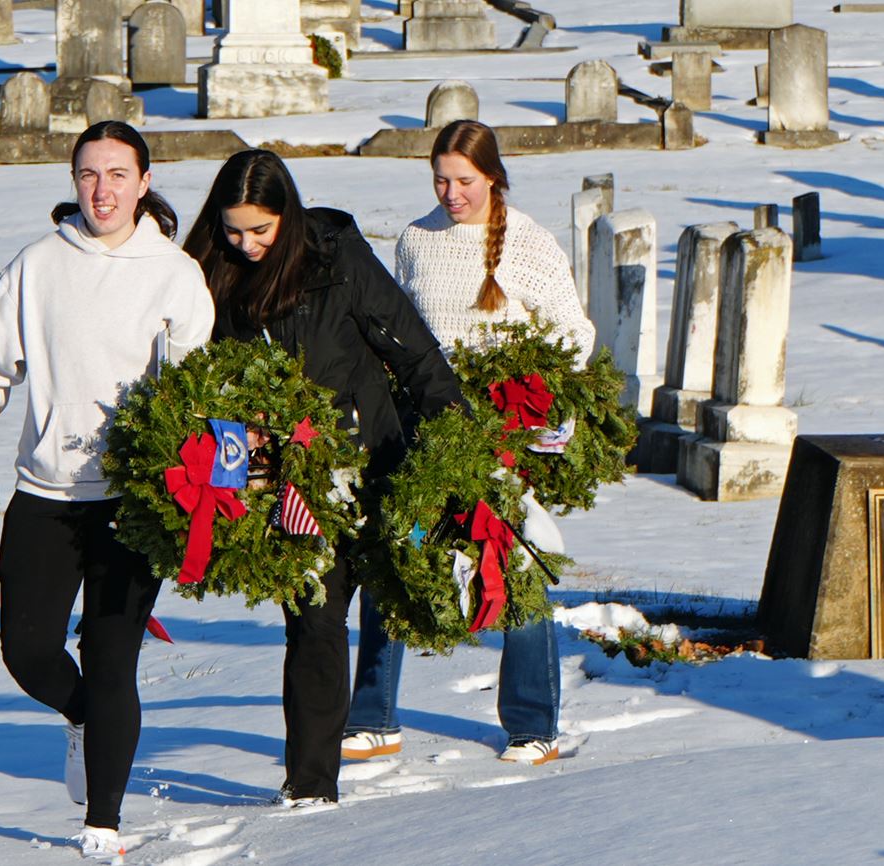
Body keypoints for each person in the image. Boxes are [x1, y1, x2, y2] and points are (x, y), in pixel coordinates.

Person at [0, 120, 215, 860]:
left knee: (113, 661)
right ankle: (88, 722)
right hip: (45, 497)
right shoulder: (36, 267)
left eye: (116, 174)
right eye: (87, 175)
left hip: (134, 501)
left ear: (144, 180)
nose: (101, 190)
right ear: (73, 182)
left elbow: (196, 394)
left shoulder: (173, 274)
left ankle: (102, 822)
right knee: (28, 651)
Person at [182, 149, 465, 807]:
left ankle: (380, 717)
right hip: (290, 482)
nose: (245, 244)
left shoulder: (337, 259)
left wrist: (457, 443)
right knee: (313, 620)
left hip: (372, 458)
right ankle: (311, 786)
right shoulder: (209, 278)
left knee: (397, 597)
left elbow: (412, 348)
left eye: (260, 230)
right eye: (232, 229)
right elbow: (203, 381)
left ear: (289, 215)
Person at [343, 119, 594, 767]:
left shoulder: (530, 245)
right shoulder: (416, 240)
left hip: (500, 432)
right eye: (441, 180)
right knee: (394, 559)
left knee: (514, 566)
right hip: (424, 427)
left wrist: (531, 399)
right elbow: (400, 331)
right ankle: (374, 716)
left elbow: (575, 334)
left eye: (465, 181)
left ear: (492, 177)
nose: (452, 193)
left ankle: (533, 725)